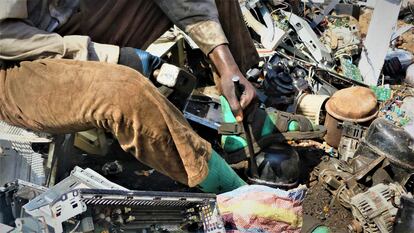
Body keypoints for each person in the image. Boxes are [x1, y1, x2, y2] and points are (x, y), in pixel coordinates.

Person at [0, 0, 260, 193]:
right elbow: (6, 37)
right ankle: (230, 189)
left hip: (67, 29)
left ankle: (249, 118)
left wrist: (226, 64)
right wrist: (107, 56)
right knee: (125, 90)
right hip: (14, 65)